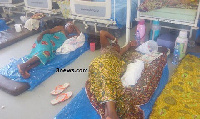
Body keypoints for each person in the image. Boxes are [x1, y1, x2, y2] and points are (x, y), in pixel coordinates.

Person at [85, 30, 144, 119]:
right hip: (100, 63)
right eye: (114, 45)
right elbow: (102, 33)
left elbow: (127, 47)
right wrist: (114, 39)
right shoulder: (106, 48)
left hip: (111, 67)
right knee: (107, 76)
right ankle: (112, 113)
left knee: (107, 78)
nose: (116, 46)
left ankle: (107, 113)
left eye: (118, 46)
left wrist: (130, 44)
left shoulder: (119, 54)